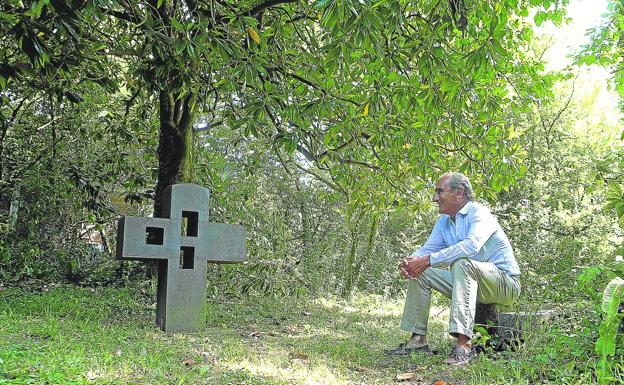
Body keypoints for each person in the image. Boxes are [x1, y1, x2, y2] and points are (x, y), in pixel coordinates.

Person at [384, 172, 521, 366]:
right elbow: (427, 250)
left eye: (440, 192)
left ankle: (464, 346)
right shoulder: (444, 221)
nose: (435, 198)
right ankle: (417, 341)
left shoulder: (479, 213)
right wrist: (411, 262)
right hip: (470, 281)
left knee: (461, 262)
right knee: (422, 271)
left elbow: (471, 246)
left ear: (459, 193)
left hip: (505, 284)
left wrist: (427, 260)